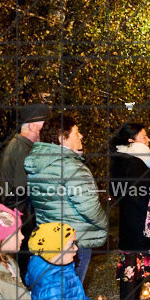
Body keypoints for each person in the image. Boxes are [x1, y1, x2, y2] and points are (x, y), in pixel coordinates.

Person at [25, 114, 107, 282]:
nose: (81, 136)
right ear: (62, 139)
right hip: (74, 240)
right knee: (72, 293)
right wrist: (104, 222)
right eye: (76, 133)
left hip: (49, 240)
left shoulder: (37, 165)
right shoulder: (71, 167)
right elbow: (88, 207)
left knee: (55, 290)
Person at [108, 122, 150, 300]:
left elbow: (117, 192)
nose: (148, 140)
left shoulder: (120, 160)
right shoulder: (136, 162)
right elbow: (139, 196)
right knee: (135, 269)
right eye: (144, 136)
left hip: (128, 223)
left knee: (130, 267)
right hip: (139, 223)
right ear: (131, 140)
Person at [0, 103, 49, 276]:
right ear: (33, 124)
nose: (47, 128)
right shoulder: (22, 150)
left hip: (22, 217)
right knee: (26, 264)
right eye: (45, 123)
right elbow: (24, 189)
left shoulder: (21, 146)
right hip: (24, 218)